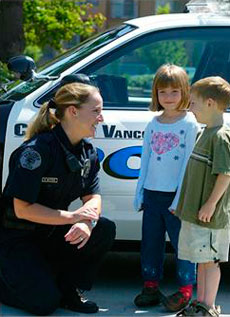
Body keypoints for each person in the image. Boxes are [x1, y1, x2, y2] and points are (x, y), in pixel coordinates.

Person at [0, 78, 116, 315]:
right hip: (17, 239)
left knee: (102, 228)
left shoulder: (87, 152)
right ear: (73, 111)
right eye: (96, 111)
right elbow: (23, 209)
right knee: (43, 304)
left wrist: (85, 222)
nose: (101, 118)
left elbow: (93, 196)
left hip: (50, 232)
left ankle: (68, 288)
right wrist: (74, 217)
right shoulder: (37, 151)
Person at [133, 64, 199, 312]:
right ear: (155, 94)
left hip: (176, 197)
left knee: (182, 244)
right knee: (151, 242)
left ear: (185, 92)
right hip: (152, 195)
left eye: (174, 91)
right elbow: (146, 159)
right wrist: (140, 192)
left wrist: (179, 199)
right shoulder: (154, 123)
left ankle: (185, 289)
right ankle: (150, 285)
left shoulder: (189, 123)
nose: (168, 97)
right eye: (162, 92)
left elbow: (187, 165)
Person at [176, 76, 230, 317]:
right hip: (198, 213)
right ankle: (200, 303)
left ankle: (209, 307)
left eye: (194, 104)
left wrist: (210, 204)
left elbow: (226, 174)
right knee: (200, 259)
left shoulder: (220, 136)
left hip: (211, 215)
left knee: (211, 260)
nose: (190, 109)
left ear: (210, 103)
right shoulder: (205, 133)